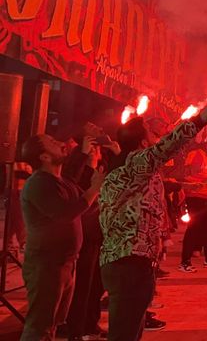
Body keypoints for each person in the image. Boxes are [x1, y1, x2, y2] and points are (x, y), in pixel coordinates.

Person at [100, 102, 207, 341]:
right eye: (153, 134)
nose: (158, 137)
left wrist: (185, 186)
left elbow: (155, 184)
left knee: (131, 328)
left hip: (134, 259)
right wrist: (200, 119)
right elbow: (168, 147)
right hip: (128, 260)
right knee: (124, 333)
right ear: (143, 143)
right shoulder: (135, 163)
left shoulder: (130, 166)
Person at [19, 133, 104, 341]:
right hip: (46, 265)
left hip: (65, 263)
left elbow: (81, 199)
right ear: (44, 157)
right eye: (52, 142)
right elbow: (66, 213)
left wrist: (90, 166)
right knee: (39, 327)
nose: (60, 142)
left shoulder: (61, 181)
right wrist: (95, 187)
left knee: (53, 323)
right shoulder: (39, 183)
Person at [62, 125, 119, 341]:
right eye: (93, 147)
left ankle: (90, 324)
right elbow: (69, 182)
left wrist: (117, 153)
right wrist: (82, 154)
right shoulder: (77, 171)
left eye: (96, 147)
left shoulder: (101, 168)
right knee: (82, 286)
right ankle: (76, 329)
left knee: (97, 284)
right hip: (83, 235)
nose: (97, 151)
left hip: (101, 234)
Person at [177, 136, 207, 272]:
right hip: (195, 197)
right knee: (193, 229)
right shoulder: (197, 154)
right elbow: (189, 173)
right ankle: (185, 262)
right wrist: (200, 181)